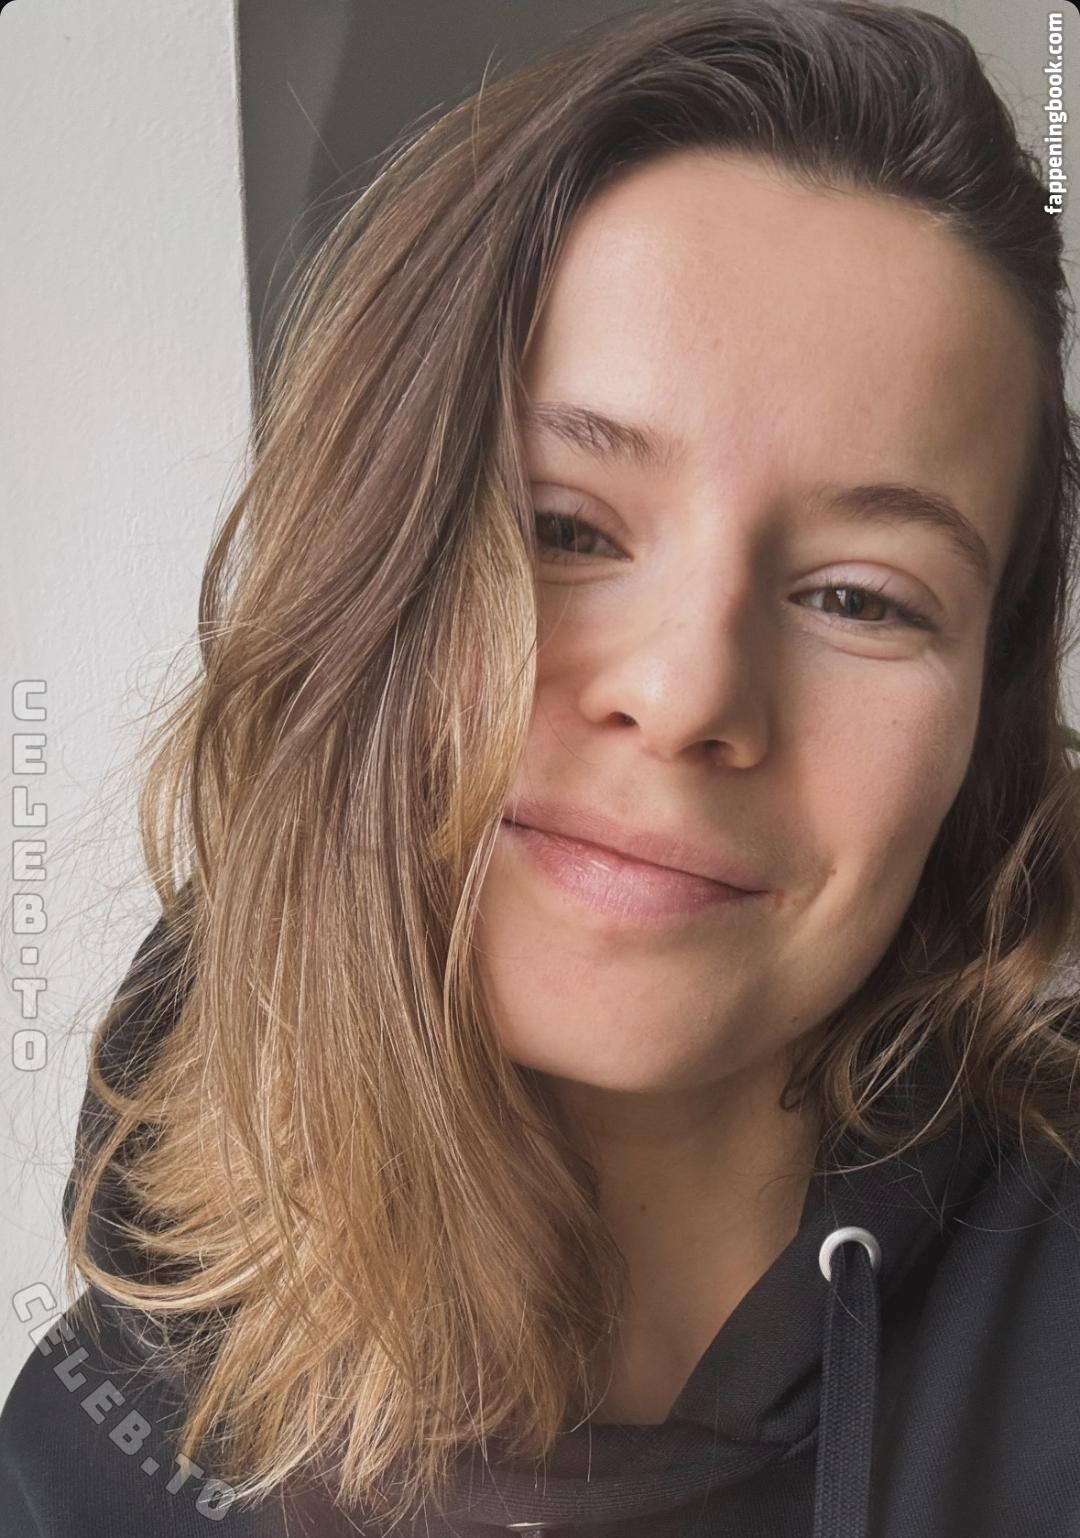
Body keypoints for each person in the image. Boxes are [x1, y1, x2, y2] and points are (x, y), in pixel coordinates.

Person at [3, 0, 1080, 1534]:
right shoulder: (90, 1453)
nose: (686, 692)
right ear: (361, 573)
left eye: (861, 597)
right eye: (563, 526)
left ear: (983, 731)